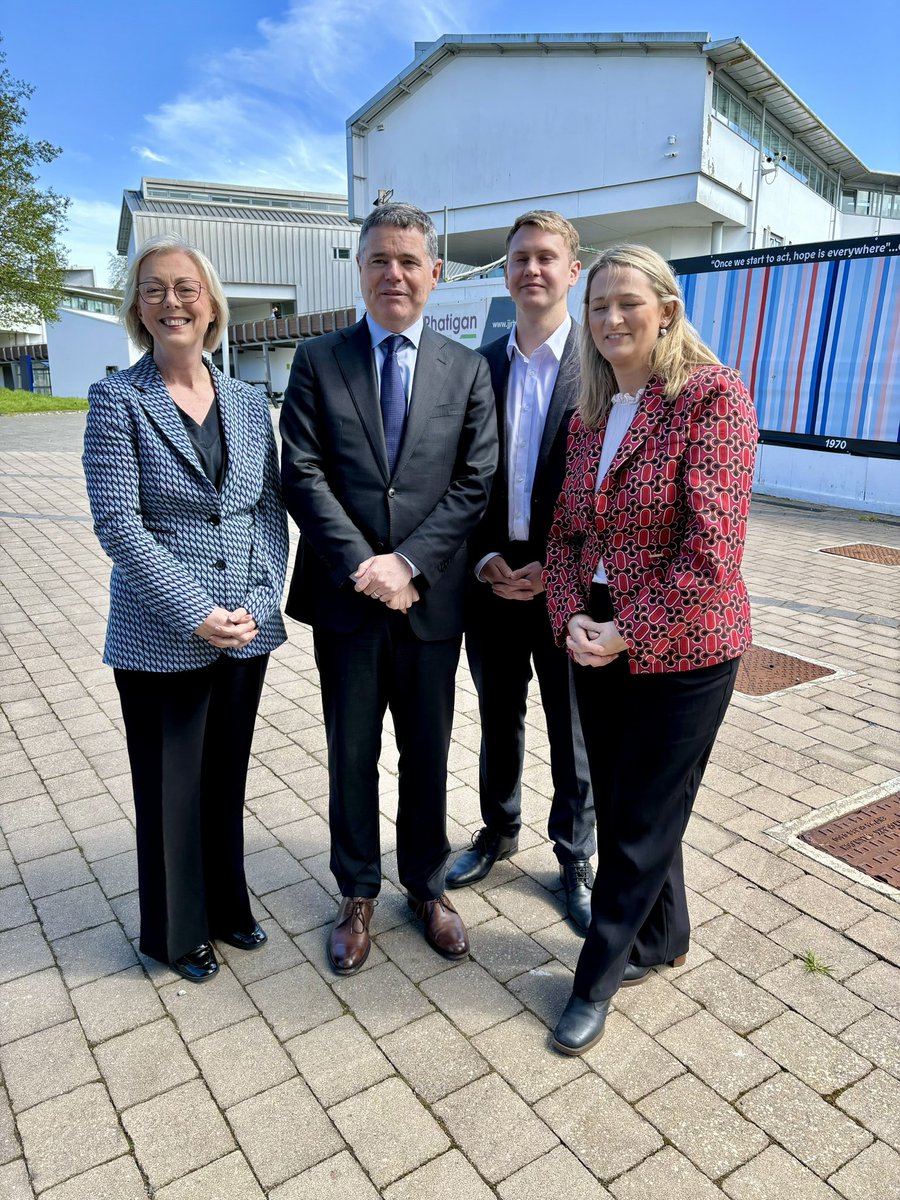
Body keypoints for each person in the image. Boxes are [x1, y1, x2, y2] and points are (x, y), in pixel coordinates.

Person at [543, 243, 757, 1054]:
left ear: (666, 308)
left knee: (638, 822)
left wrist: (628, 629)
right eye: (598, 306)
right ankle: (664, 937)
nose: (609, 319)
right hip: (595, 632)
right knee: (636, 805)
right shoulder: (591, 413)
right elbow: (565, 539)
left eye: (627, 302)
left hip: (686, 644)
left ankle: (594, 977)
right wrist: (572, 620)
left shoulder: (712, 398)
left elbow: (711, 552)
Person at [279, 201, 497, 975]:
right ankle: (357, 892)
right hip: (346, 601)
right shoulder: (318, 359)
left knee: (428, 752)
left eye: (409, 261)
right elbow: (300, 472)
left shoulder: (467, 369)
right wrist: (366, 565)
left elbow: (474, 482)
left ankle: (427, 886)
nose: (394, 274)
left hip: (430, 603)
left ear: (434, 275)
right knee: (351, 752)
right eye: (380, 260)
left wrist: (408, 564)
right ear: (360, 268)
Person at [82, 233, 289, 983]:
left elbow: (267, 510)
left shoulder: (242, 397)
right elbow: (119, 525)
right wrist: (194, 610)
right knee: (171, 786)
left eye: (185, 288)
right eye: (154, 289)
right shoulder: (116, 399)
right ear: (137, 310)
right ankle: (172, 932)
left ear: (211, 307)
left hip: (247, 630)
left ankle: (228, 907)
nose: (172, 301)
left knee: (225, 777)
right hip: (160, 632)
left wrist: (264, 600)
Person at [447, 211, 595, 934]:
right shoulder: (478, 367)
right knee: (496, 717)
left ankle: (574, 854)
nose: (531, 270)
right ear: (505, 273)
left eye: (546, 257)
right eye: (519, 259)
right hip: (492, 580)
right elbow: (460, 475)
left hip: (565, 589)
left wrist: (557, 571)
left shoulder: (601, 364)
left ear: (574, 270)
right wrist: (482, 558)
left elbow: (613, 491)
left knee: (572, 730)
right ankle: (498, 832)